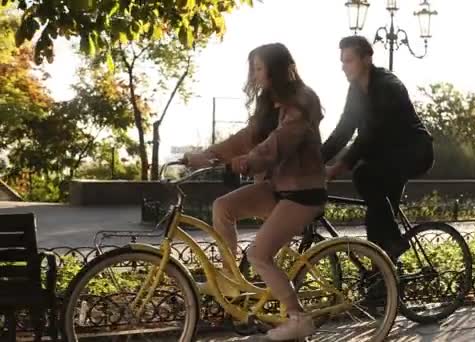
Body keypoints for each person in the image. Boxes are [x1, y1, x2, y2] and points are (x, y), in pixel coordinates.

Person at [183, 43, 325, 341]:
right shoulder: (269, 104)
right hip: (277, 188)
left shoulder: (301, 101)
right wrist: (206, 155)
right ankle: (230, 283)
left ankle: (298, 318)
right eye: (253, 69)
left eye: (259, 68)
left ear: (276, 69)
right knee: (223, 207)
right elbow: (245, 138)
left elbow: (277, 143)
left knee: (259, 254)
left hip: (303, 192)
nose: (255, 75)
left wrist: (247, 162)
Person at [321, 36, 434, 262]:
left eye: (349, 60)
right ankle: (383, 280)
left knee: (363, 174)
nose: (343, 67)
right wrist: (314, 159)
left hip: (414, 152)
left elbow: (370, 134)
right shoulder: (355, 90)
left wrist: (340, 166)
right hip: (388, 156)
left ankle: (394, 242)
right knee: (376, 220)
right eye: (342, 61)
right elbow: (344, 129)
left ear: (367, 59)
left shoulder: (387, 85)